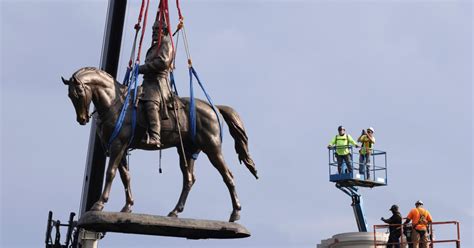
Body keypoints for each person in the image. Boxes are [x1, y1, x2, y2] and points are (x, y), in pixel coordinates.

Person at [138, 20, 173, 148]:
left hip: (158, 83)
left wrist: (140, 69)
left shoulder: (166, 43)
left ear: (163, 31)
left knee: (150, 103)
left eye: (157, 30)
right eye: (153, 30)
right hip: (147, 82)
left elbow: (162, 63)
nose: (154, 32)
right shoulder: (154, 46)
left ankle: (155, 136)